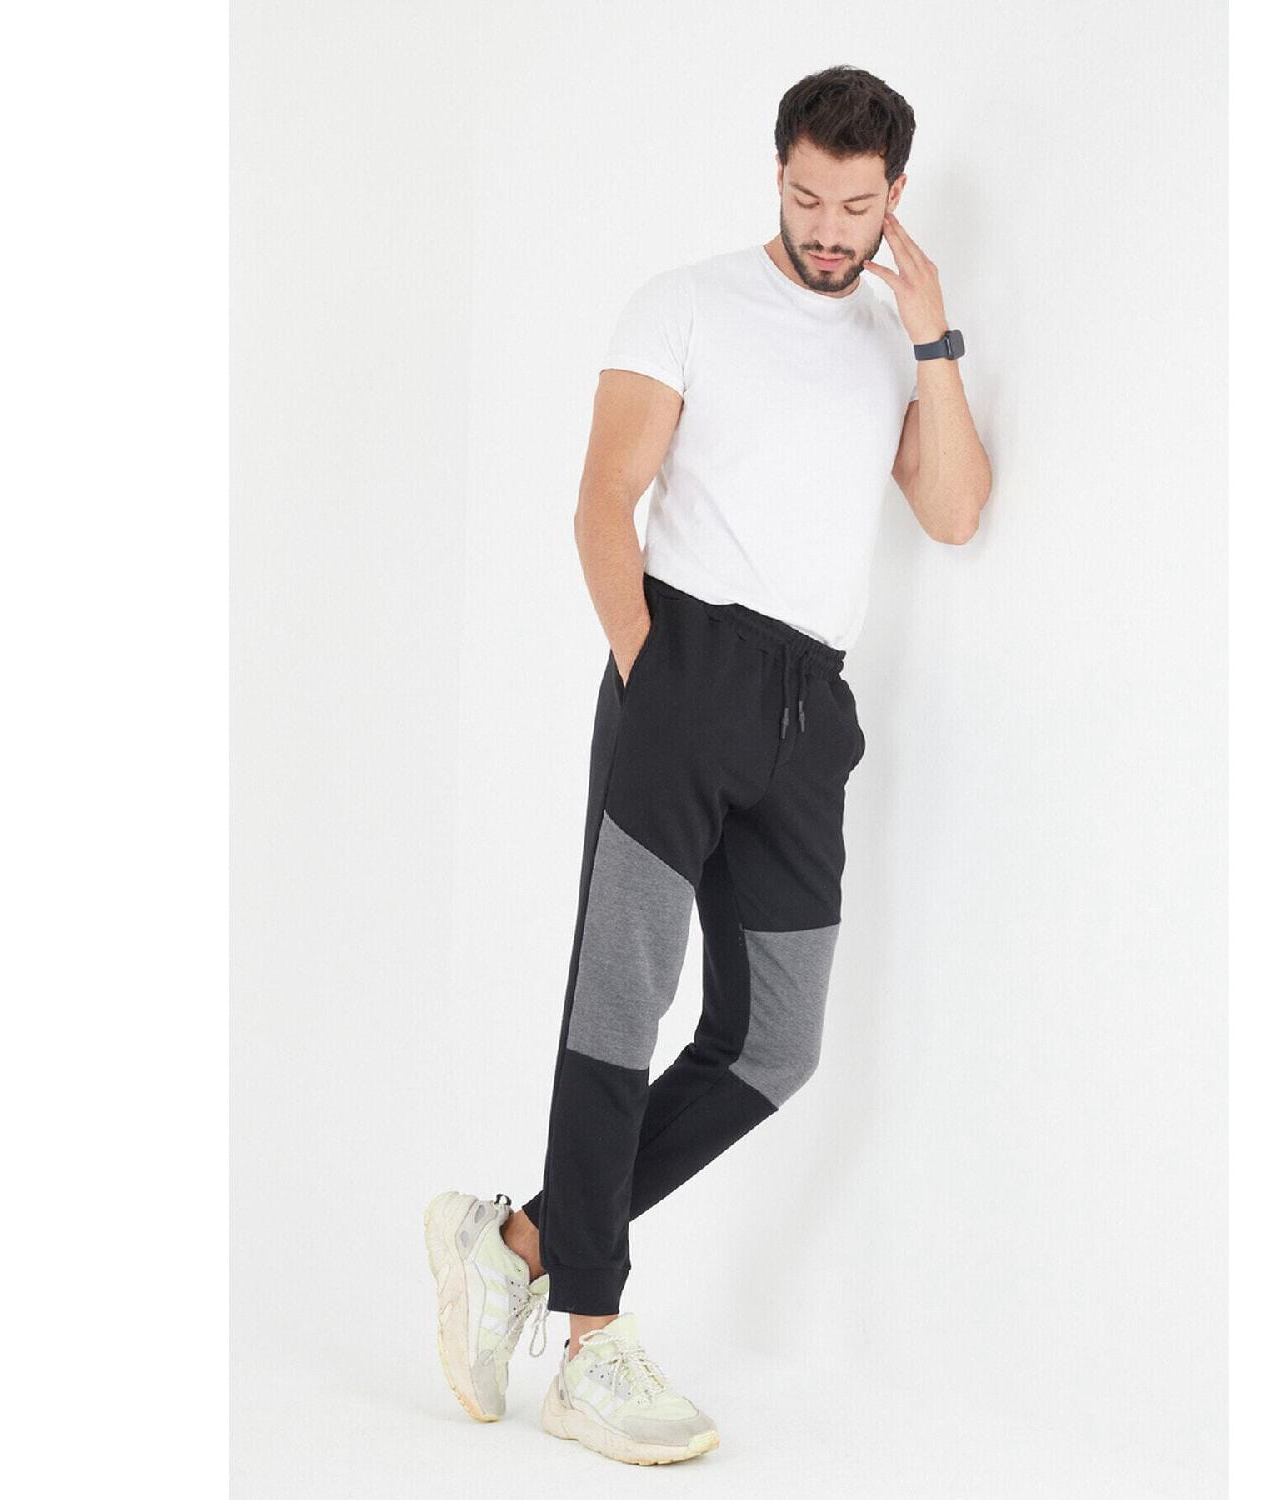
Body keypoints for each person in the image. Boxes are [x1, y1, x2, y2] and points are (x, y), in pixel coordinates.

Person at [425, 63, 990, 1466]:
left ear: (894, 197)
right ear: (777, 173)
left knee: (776, 1044)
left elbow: (955, 511)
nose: (827, 227)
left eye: (856, 206)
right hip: (685, 666)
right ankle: (591, 1344)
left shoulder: (891, 338)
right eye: (806, 196)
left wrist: (934, 337)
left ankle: (517, 1244)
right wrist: (650, 671)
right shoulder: (684, 303)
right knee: (621, 1005)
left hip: (812, 710)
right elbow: (602, 500)